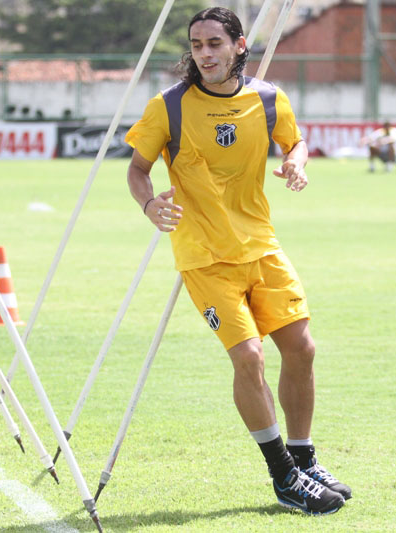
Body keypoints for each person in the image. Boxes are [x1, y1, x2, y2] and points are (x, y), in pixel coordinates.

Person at [125, 6, 350, 516]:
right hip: (205, 255)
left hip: (262, 246)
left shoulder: (270, 98)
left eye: (214, 44)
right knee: (249, 357)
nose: (204, 54)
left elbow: (297, 141)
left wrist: (295, 160)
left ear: (239, 46)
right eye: (197, 45)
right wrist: (149, 203)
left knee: (303, 349)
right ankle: (283, 477)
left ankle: (304, 458)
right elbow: (137, 170)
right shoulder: (169, 107)